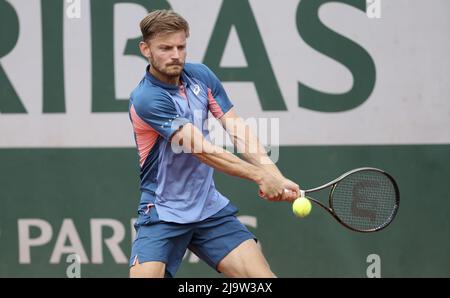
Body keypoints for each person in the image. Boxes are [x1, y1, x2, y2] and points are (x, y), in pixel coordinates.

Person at [128, 9, 300, 278]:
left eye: (181, 46)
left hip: (208, 208)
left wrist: (274, 175)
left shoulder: (201, 76)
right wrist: (260, 176)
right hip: (163, 211)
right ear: (145, 49)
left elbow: (236, 129)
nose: (175, 55)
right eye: (165, 48)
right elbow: (203, 151)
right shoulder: (147, 98)